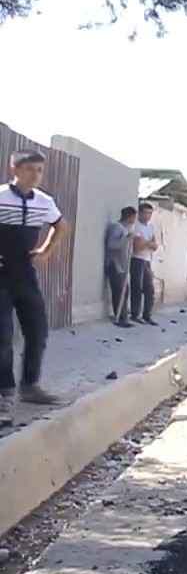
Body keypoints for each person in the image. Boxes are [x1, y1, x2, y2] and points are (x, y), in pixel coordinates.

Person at [0, 150, 70, 426]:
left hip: (26, 274)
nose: (36, 175)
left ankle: (30, 385)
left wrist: (45, 250)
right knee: (3, 336)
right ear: (15, 170)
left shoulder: (44, 202)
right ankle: (4, 393)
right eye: (30, 169)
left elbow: (61, 225)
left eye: (40, 170)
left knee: (37, 331)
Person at [104, 206, 137, 328]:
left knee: (124, 291)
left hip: (122, 265)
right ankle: (119, 317)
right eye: (134, 217)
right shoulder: (117, 228)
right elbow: (112, 244)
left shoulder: (125, 229)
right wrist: (127, 239)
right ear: (129, 216)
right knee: (119, 291)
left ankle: (123, 316)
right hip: (115, 265)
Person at [129, 201, 159, 326]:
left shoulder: (151, 227)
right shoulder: (135, 226)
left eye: (150, 213)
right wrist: (148, 243)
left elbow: (155, 245)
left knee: (150, 289)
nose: (148, 215)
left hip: (147, 260)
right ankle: (135, 314)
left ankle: (147, 315)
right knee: (137, 287)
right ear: (140, 213)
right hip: (136, 259)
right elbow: (137, 247)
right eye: (145, 213)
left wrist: (145, 242)